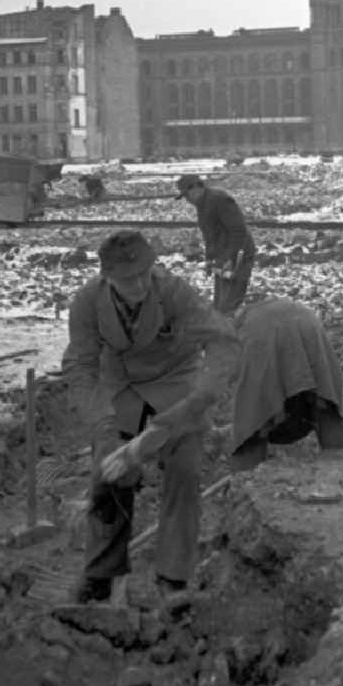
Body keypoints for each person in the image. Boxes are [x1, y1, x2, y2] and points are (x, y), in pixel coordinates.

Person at [62, 230, 238, 605]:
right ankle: (100, 574)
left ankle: (173, 578)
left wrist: (198, 401)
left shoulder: (175, 292)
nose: (140, 284)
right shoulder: (87, 302)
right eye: (128, 279)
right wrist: (104, 427)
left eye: (146, 272)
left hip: (177, 384)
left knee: (184, 471)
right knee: (109, 474)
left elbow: (223, 342)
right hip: (120, 389)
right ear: (107, 278)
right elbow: (80, 367)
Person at [229, 298, 343, 470]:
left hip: (263, 333)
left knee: (252, 421)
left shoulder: (233, 330)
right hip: (307, 322)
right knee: (324, 402)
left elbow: (247, 395)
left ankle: (244, 480)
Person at [175, 174, 256, 314]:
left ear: (196, 188)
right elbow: (209, 236)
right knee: (219, 306)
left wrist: (232, 258)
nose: (187, 200)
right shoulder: (202, 203)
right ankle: (225, 331)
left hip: (238, 257)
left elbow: (238, 230)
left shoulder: (219, 199)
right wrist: (208, 259)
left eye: (187, 195)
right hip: (222, 258)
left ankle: (233, 333)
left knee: (229, 306)